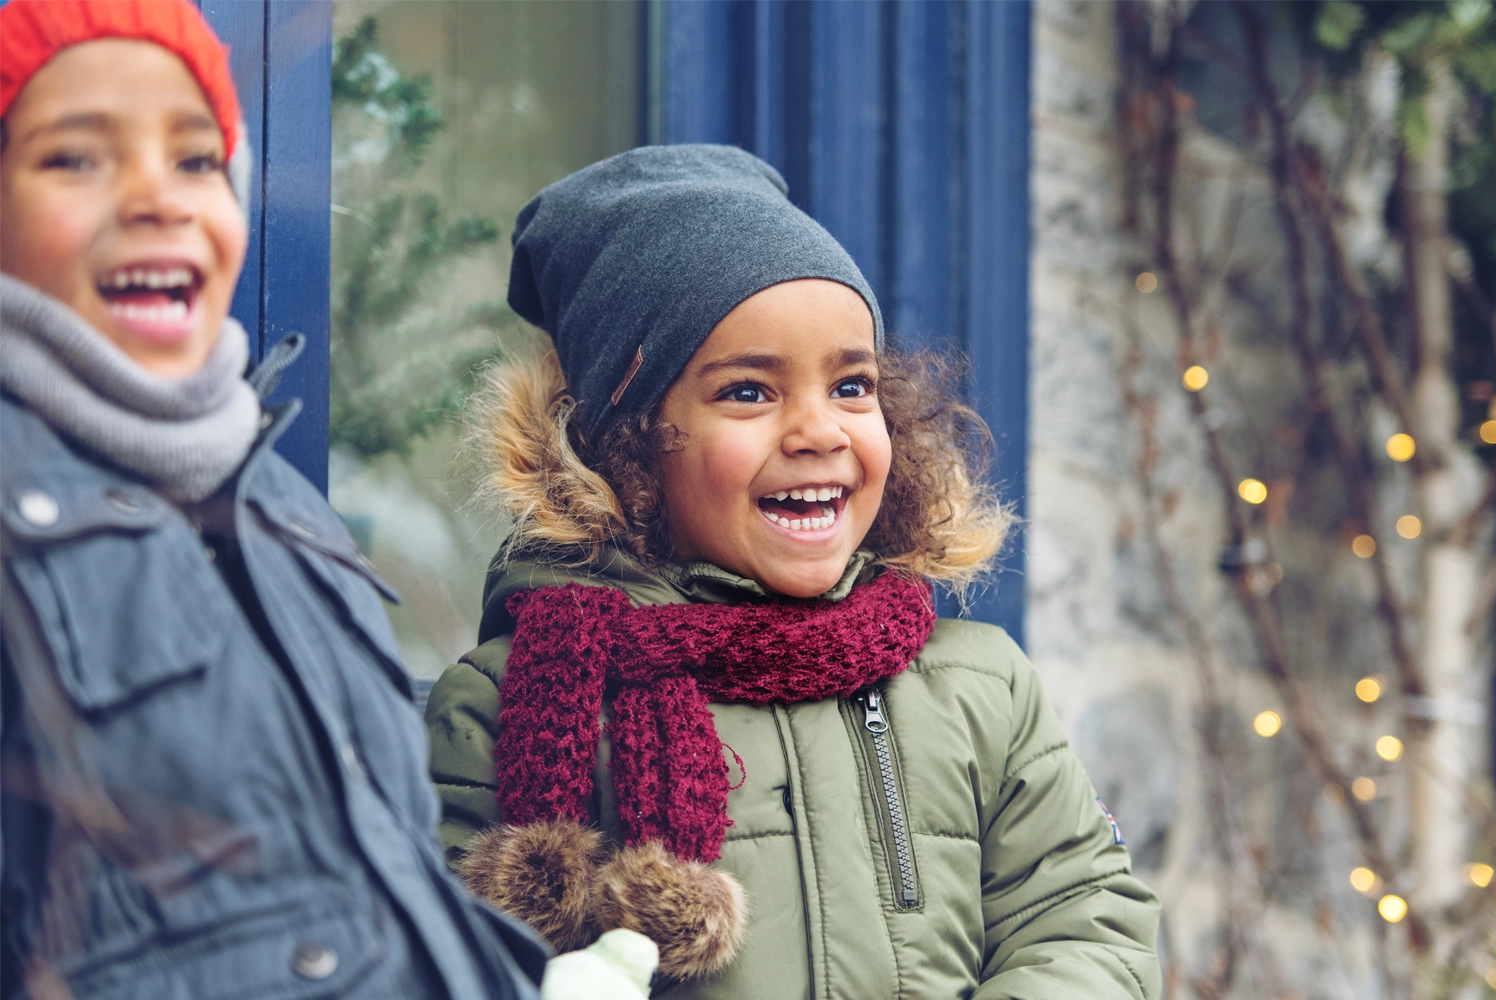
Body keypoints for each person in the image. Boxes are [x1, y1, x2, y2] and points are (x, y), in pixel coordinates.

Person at [427, 144, 1162, 999]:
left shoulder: (978, 684)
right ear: (623, 443)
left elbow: (1084, 916)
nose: (821, 430)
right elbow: (450, 962)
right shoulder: (510, 700)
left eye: (852, 386)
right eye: (748, 391)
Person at [0, 2, 621, 996]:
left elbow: (376, 885)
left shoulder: (284, 515)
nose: (158, 197)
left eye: (196, 159)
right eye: (75, 158)